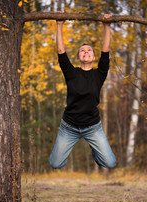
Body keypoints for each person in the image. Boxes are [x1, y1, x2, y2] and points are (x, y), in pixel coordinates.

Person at [49, 13, 116, 169]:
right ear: (79, 57)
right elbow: (60, 51)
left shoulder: (99, 74)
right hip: (69, 126)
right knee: (55, 164)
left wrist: (107, 25)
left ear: (93, 57)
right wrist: (59, 24)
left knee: (110, 163)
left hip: (93, 127)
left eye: (89, 50)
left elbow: (105, 52)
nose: (86, 52)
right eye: (82, 51)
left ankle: (95, 149)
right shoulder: (71, 73)